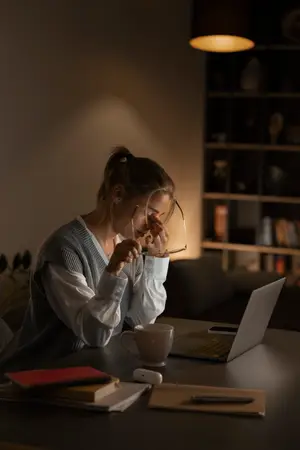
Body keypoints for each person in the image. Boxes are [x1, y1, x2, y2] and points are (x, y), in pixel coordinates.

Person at [0, 147, 175, 368]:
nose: (153, 226)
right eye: (149, 214)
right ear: (117, 194)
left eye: (159, 217)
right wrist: (112, 271)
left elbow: (141, 320)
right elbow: (94, 334)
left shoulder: (126, 246)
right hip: (37, 376)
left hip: (93, 372)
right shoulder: (64, 249)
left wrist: (156, 260)